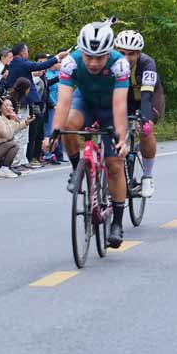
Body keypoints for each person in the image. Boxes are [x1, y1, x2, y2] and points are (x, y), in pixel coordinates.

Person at [44, 18, 131, 248]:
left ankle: (117, 223)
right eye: (88, 57)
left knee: (114, 164)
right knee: (67, 124)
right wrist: (53, 133)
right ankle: (77, 169)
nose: (93, 63)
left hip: (110, 107)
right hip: (85, 103)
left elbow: (120, 105)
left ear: (109, 52)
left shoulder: (119, 64)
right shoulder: (70, 64)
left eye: (100, 57)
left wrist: (122, 138)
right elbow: (63, 103)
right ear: (81, 52)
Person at [115, 30, 163, 198]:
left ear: (139, 53)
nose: (126, 58)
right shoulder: (108, 62)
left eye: (131, 54)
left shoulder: (148, 63)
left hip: (147, 97)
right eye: (122, 53)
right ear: (115, 49)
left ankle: (147, 176)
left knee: (145, 130)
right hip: (125, 98)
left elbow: (147, 95)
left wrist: (144, 119)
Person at [0, 97, 34, 177]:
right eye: (6, 105)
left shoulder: (6, 120)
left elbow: (16, 127)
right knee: (14, 144)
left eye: (11, 106)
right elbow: (8, 134)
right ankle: (4, 168)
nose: (9, 108)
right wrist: (12, 120)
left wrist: (25, 122)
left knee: (14, 144)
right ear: (0, 108)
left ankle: (5, 167)